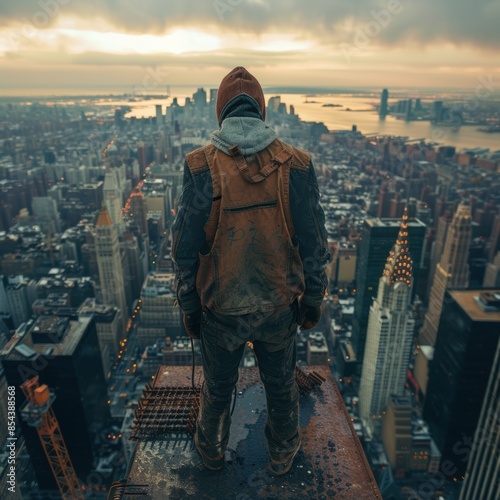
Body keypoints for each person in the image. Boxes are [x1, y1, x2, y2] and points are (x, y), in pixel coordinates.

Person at [171, 66, 330, 475]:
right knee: (280, 387)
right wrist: (312, 299)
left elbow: (184, 248)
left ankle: (210, 452)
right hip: (279, 307)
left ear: (220, 111)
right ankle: (281, 456)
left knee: (218, 390)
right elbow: (314, 242)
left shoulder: (201, 167)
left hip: (221, 309)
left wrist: (190, 306)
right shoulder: (295, 165)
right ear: (260, 109)